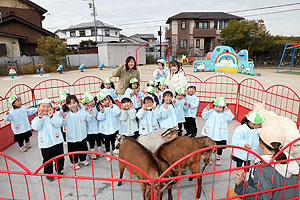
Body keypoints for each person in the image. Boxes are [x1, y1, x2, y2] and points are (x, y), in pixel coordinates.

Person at [229, 126, 299, 199]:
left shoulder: (262, 168)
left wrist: (240, 185)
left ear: (261, 142)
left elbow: (260, 197)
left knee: (231, 194)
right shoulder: (292, 161)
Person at [31, 98, 64, 182]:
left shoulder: (55, 115)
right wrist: (39, 118)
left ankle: (59, 170)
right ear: (39, 108)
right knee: (47, 159)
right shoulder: (37, 118)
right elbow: (35, 127)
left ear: (51, 107)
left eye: (48, 106)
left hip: (57, 141)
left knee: (59, 157)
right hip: (45, 143)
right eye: (43, 106)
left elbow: (59, 123)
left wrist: (52, 116)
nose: (45, 108)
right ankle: (48, 173)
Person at [61, 95, 92, 170]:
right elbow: (63, 124)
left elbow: (88, 119)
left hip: (82, 135)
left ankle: (83, 159)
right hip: (72, 137)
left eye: (74, 103)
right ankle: (74, 163)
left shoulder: (82, 111)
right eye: (70, 104)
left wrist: (90, 114)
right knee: (73, 151)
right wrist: (64, 118)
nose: (73, 105)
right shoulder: (67, 114)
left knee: (83, 148)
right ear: (67, 105)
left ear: (77, 103)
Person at [201, 97, 234, 165]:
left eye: (220, 107)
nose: (218, 109)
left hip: (220, 134)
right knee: (209, 146)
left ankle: (219, 157)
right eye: (216, 107)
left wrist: (227, 111)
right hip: (211, 132)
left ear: (224, 107)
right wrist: (206, 110)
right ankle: (209, 157)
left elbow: (229, 118)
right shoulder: (211, 112)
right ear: (213, 106)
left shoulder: (224, 114)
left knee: (220, 146)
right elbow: (204, 116)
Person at [96, 91, 120, 162]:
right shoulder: (101, 110)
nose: (106, 102)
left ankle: (114, 150)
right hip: (106, 129)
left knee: (114, 140)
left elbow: (117, 113)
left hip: (114, 127)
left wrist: (112, 107)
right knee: (107, 141)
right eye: (103, 102)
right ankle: (108, 152)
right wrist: (102, 112)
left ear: (109, 99)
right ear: (100, 103)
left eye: (106, 100)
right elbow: (100, 118)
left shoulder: (114, 106)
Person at [82, 92, 101, 160]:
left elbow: (100, 115)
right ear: (86, 103)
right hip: (90, 130)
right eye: (89, 102)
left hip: (98, 128)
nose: (91, 103)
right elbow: (87, 119)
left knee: (99, 141)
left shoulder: (97, 107)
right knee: (91, 142)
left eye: (92, 101)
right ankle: (92, 153)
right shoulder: (84, 110)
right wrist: (89, 114)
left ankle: (100, 151)